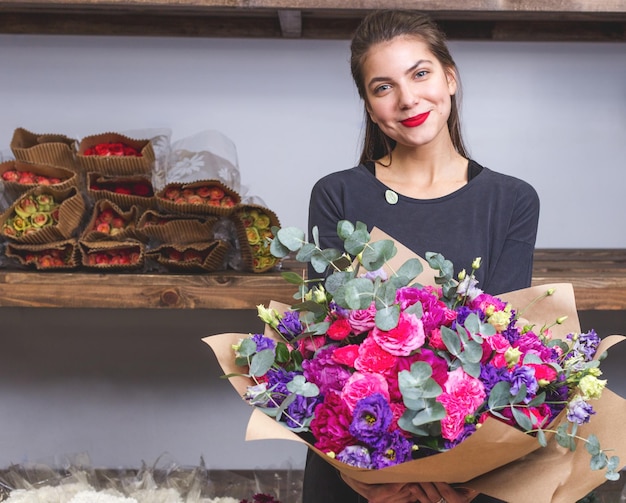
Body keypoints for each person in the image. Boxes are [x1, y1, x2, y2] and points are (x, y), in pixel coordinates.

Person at [303, 9, 540, 503]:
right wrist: (360, 474)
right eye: (383, 87)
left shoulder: (512, 200)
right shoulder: (337, 195)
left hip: (469, 465)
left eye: (421, 73)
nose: (408, 99)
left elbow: (504, 347)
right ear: (370, 107)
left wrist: (471, 478)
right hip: (355, 452)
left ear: (450, 78)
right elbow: (322, 343)